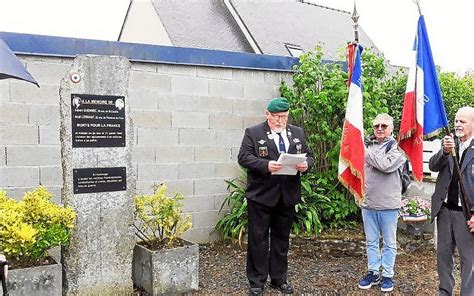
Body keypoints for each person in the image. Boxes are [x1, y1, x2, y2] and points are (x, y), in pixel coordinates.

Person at [238, 97, 314, 296]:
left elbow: (310, 155)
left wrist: (306, 165)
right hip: (261, 195)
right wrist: (266, 165)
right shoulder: (253, 133)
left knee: (281, 240)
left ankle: (279, 279)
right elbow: (244, 157)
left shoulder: (297, 133)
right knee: (258, 239)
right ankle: (257, 281)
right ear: (267, 115)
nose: (281, 121)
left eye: (284, 117)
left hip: (286, 195)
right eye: (277, 117)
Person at [357, 113, 406, 293]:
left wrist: (364, 153)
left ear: (391, 129)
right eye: (376, 125)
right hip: (368, 203)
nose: (379, 129)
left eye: (384, 126)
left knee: (389, 242)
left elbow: (386, 165)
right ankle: (373, 271)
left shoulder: (398, 148)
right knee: (371, 242)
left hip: (388, 205)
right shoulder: (368, 145)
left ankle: (387, 274)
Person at [429, 106, 474, 295]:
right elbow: (433, 165)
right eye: (456, 120)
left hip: (467, 215)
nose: (457, 124)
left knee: (469, 259)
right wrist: (445, 152)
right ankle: (444, 291)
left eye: (462, 121)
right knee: (443, 255)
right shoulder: (448, 143)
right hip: (445, 211)